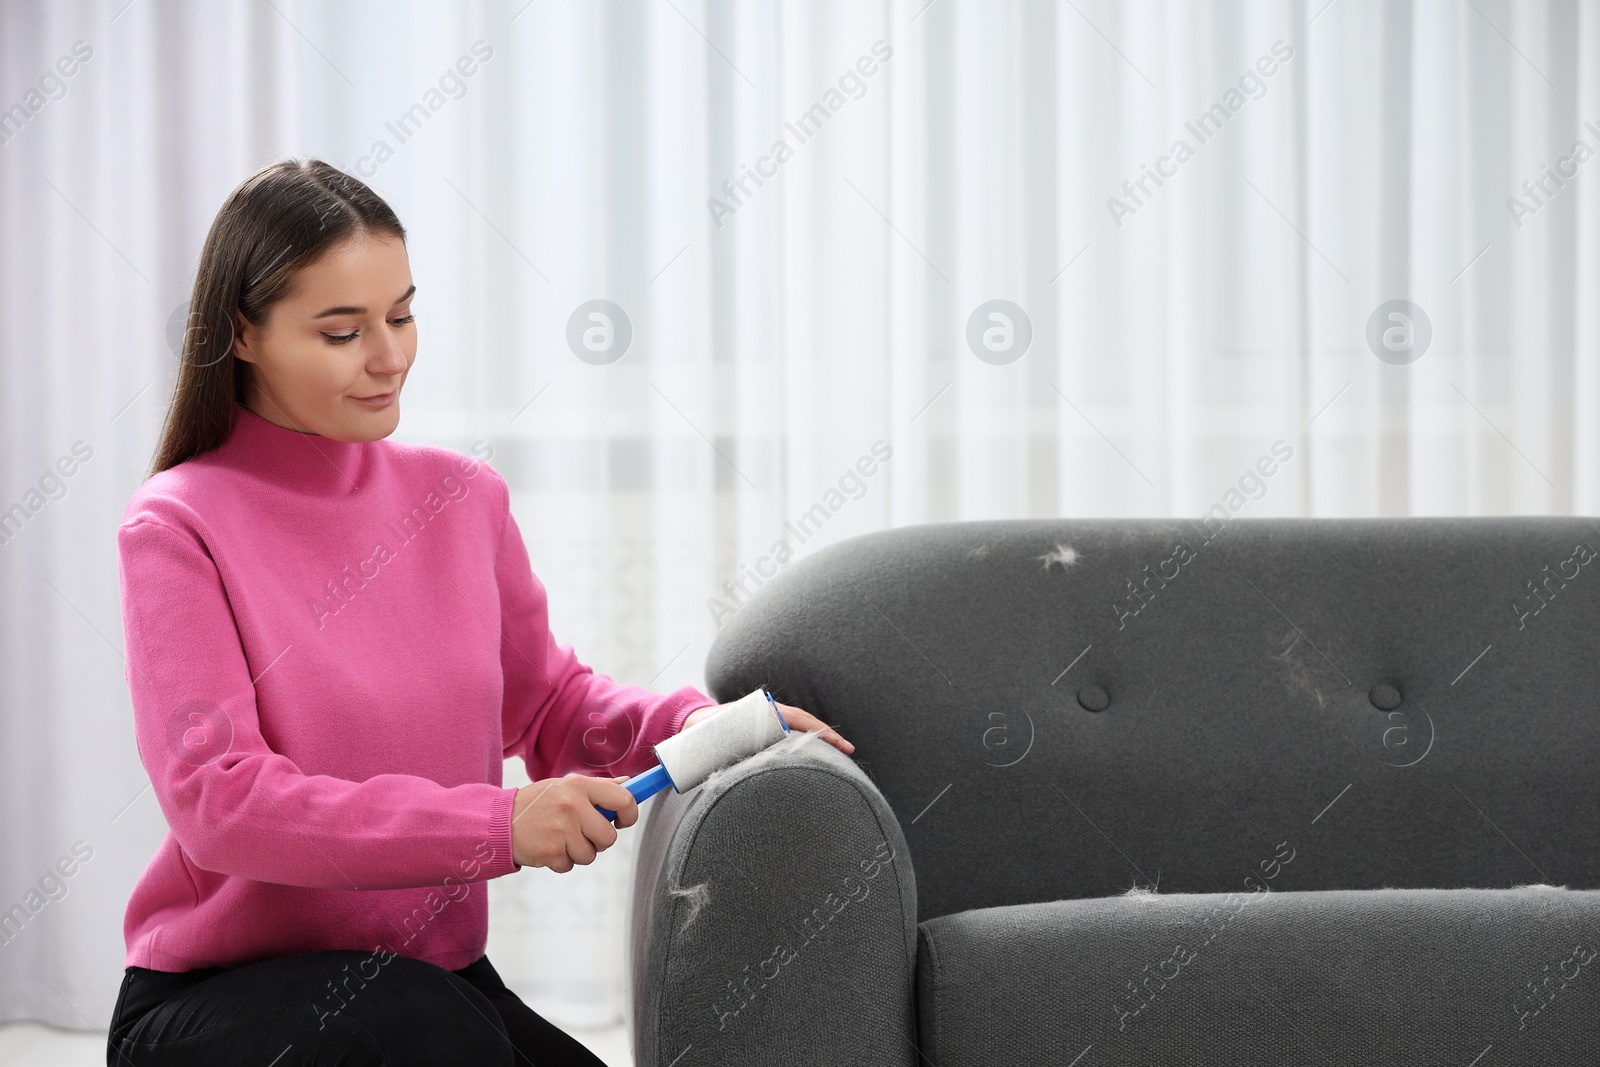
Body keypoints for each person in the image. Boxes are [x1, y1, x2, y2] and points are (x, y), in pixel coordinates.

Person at [107, 158, 854, 1066]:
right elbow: (218, 802)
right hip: (219, 1002)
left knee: (446, 1024)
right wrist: (500, 825)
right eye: (342, 331)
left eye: (403, 314)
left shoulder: (461, 499)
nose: (389, 357)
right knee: (429, 1029)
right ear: (244, 333)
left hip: (433, 984)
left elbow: (552, 710)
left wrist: (712, 730)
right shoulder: (177, 524)